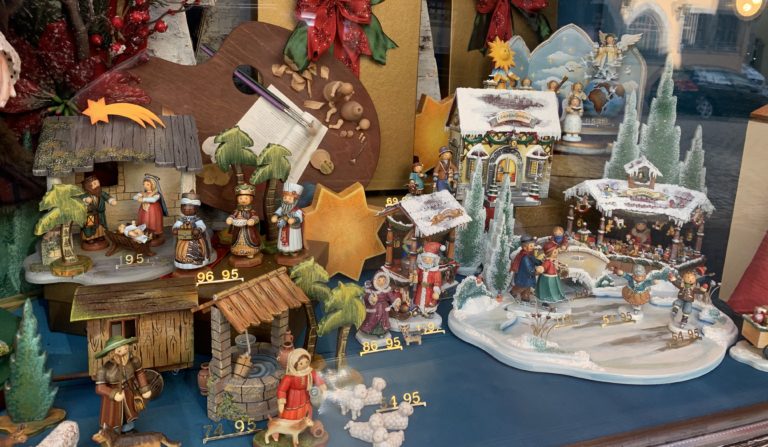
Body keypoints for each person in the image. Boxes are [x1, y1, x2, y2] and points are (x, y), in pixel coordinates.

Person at [94, 335, 152, 433]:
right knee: (114, 415)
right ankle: (114, 431)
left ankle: (128, 429)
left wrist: (144, 388)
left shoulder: (133, 361)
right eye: (119, 350)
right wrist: (113, 394)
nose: (124, 352)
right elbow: (99, 388)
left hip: (129, 393)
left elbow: (140, 373)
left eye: (125, 348)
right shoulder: (104, 370)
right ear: (112, 353)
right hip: (113, 400)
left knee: (130, 411)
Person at [276, 349, 326, 421]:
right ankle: (293, 423)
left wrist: (321, 385)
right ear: (294, 364)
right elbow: (281, 390)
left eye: (306, 362)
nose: (304, 365)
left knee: (306, 409)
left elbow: (316, 378)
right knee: (292, 412)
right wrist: (281, 402)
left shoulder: (310, 371)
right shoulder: (289, 377)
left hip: (305, 394)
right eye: (301, 363)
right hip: (293, 397)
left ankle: (304, 421)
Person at [172, 191, 212, 269]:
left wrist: (199, 229)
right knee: (182, 250)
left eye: (190, 208)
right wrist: (175, 229)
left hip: (195, 240)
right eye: (184, 208)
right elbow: (176, 225)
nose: (187, 210)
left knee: (196, 250)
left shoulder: (197, 219)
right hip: (183, 239)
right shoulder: (181, 219)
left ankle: (195, 261)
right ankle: (183, 261)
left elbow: (202, 225)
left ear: (196, 209)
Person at [360, 271, 402, 337]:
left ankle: (381, 331)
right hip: (373, 308)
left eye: (383, 280)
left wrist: (395, 301)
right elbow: (366, 297)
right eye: (379, 280)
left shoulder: (386, 290)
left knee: (384, 320)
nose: (382, 282)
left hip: (384, 309)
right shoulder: (370, 290)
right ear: (375, 280)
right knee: (371, 318)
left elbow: (391, 297)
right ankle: (369, 330)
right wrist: (371, 299)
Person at [226, 183, 261, 261]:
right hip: (238, 229)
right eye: (240, 198)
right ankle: (237, 250)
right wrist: (230, 219)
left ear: (251, 199)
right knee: (236, 239)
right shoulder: (237, 211)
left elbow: (255, 217)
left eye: (246, 198)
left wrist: (252, 220)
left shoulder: (251, 211)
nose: (243, 200)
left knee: (251, 239)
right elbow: (233, 215)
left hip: (248, 230)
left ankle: (250, 252)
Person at [80, 175, 117, 247]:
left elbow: (107, 197)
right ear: (88, 186)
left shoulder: (101, 193)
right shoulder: (86, 195)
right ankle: (89, 238)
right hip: (90, 215)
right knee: (89, 226)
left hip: (100, 214)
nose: (97, 185)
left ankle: (100, 236)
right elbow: (81, 198)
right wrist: (86, 200)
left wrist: (111, 200)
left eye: (97, 183)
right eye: (94, 184)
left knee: (101, 225)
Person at [133, 174, 168, 244]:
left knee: (153, 221)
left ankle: (154, 234)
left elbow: (153, 200)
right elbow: (135, 197)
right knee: (144, 220)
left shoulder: (156, 194)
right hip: (144, 210)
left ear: (153, 185)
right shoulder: (143, 193)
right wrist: (137, 197)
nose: (145, 186)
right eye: (144, 184)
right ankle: (144, 233)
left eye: (147, 184)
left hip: (154, 210)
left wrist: (143, 199)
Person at [272, 183, 305, 255]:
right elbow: (278, 212)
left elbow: (300, 218)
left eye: (289, 198)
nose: (286, 200)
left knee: (293, 239)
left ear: (295, 200)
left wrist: (294, 219)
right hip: (283, 226)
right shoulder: (282, 208)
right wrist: (275, 216)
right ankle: (285, 250)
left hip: (293, 229)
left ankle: (294, 250)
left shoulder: (297, 210)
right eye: (285, 198)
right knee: (283, 237)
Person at [411, 242, 443, 316]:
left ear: (434, 260)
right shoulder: (420, 268)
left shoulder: (436, 271)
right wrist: (414, 274)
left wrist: (436, 290)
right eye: (425, 259)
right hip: (420, 288)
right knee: (419, 299)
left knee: (428, 301)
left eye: (429, 259)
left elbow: (437, 282)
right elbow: (416, 275)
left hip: (430, 289)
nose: (427, 261)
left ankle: (428, 311)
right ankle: (419, 308)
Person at [509, 235, 542, 302]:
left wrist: (540, 262)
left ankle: (525, 298)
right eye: (531, 246)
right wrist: (534, 272)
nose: (533, 247)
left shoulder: (529, 254)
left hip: (528, 277)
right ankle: (512, 293)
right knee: (521, 287)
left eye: (533, 245)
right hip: (523, 277)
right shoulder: (525, 257)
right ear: (524, 247)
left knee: (527, 288)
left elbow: (534, 260)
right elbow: (529, 268)